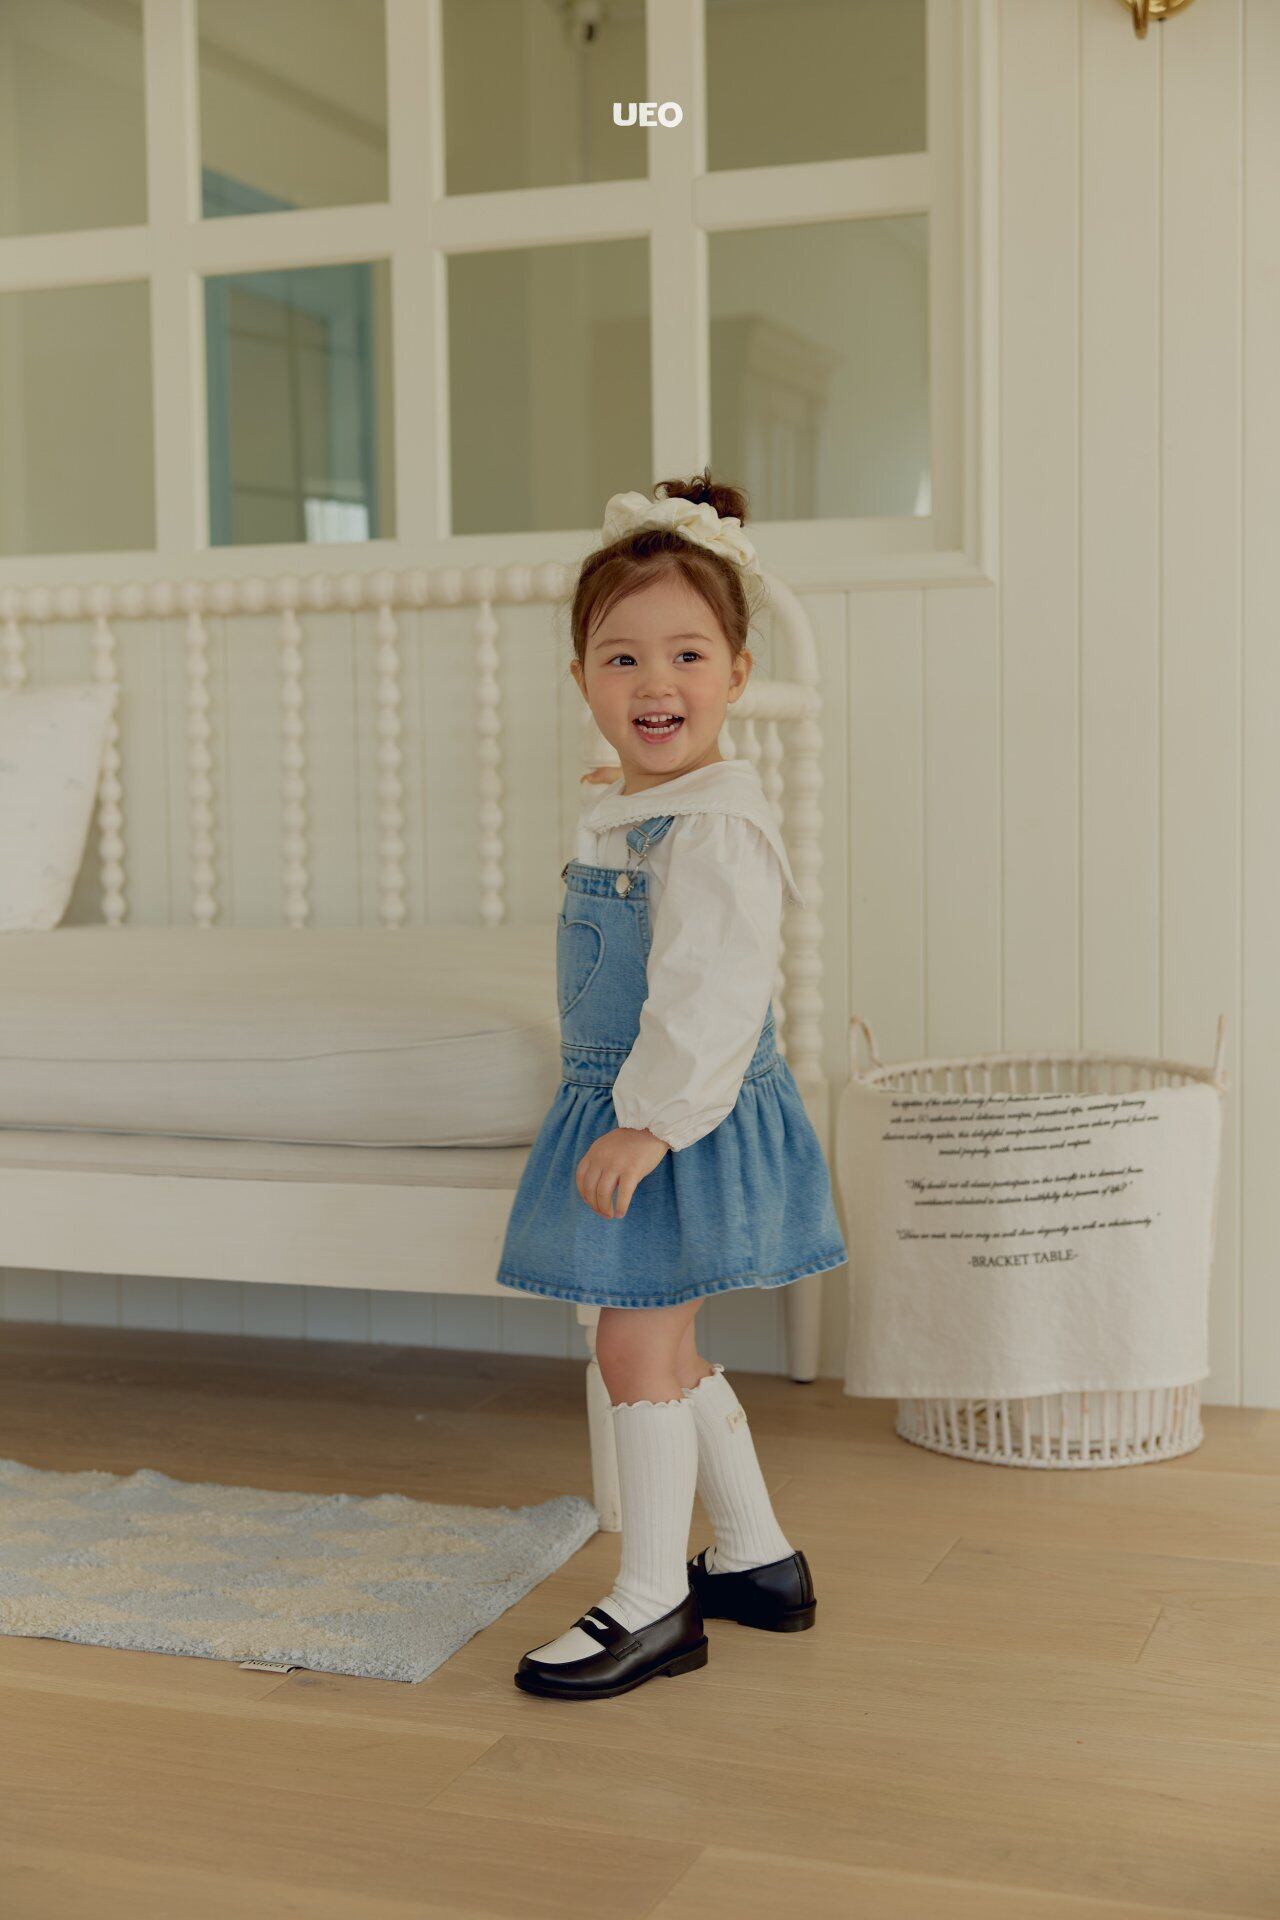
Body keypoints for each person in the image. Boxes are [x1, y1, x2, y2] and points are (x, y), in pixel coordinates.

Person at [495, 469, 847, 1700]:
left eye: (687, 656)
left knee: (631, 1350)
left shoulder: (712, 830)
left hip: (679, 1117)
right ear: (582, 680)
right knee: (670, 1343)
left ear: (736, 675)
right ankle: (755, 1557)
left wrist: (645, 1126)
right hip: (654, 1107)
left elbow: (710, 995)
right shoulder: (652, 807)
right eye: (621, 659)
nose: (655, 684)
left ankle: (651, 1604)